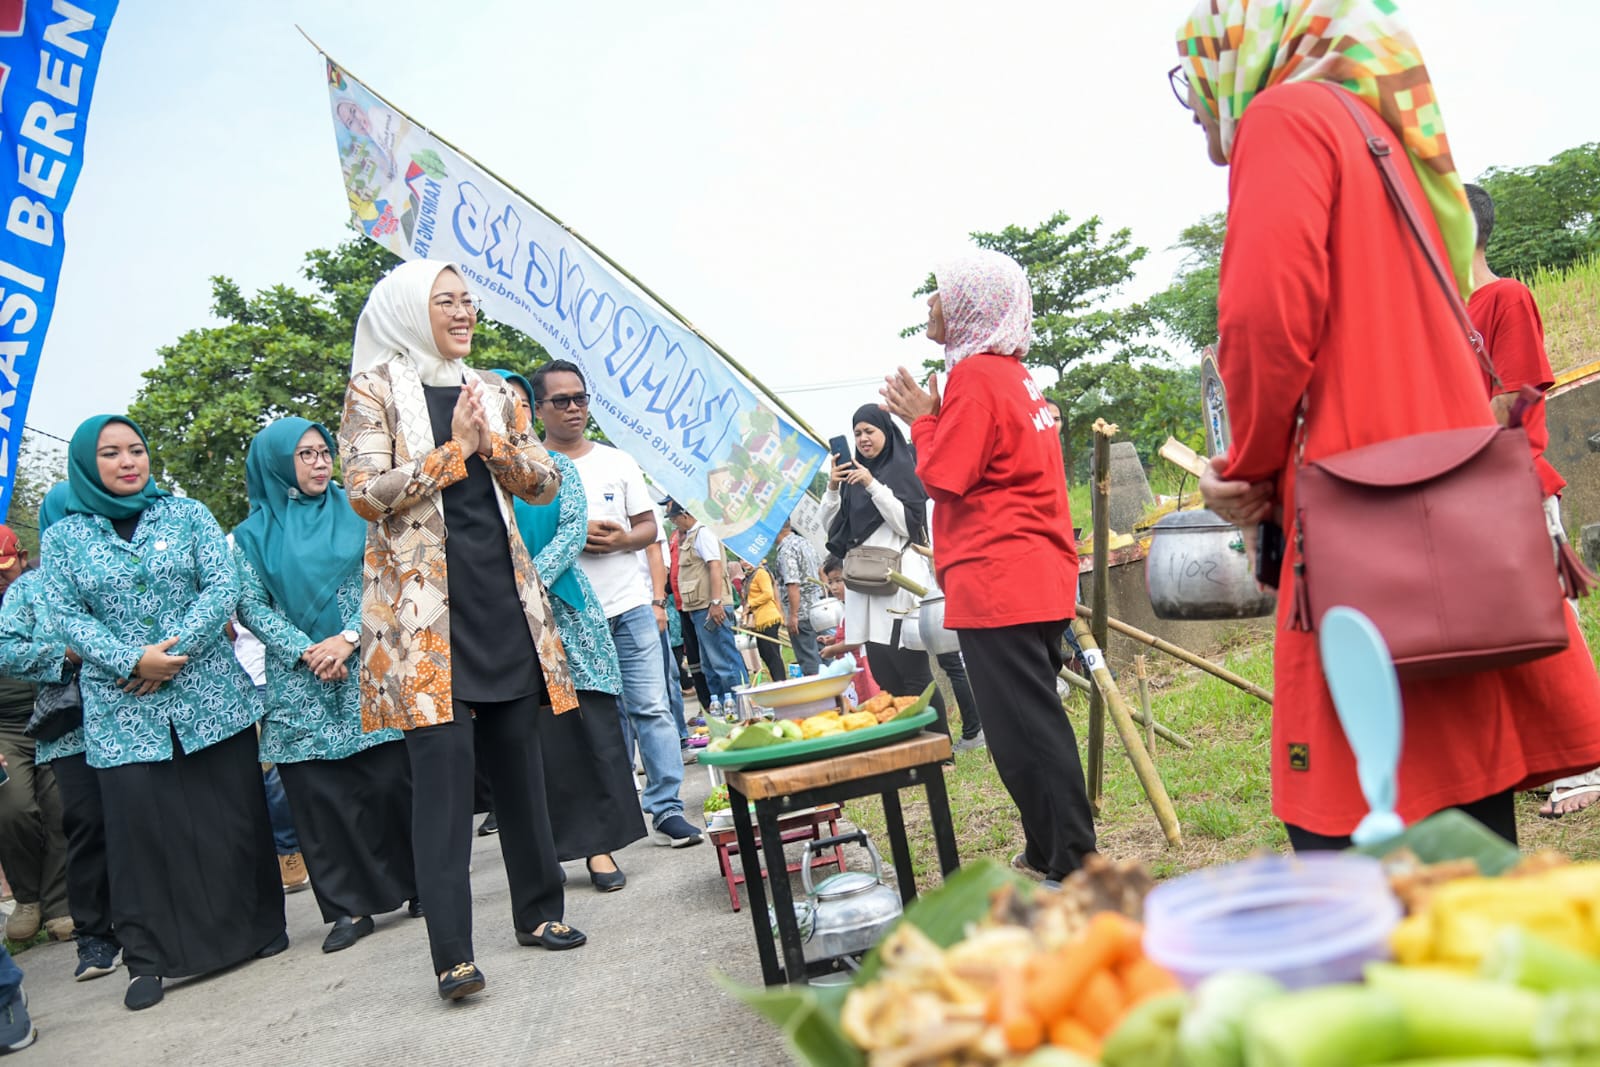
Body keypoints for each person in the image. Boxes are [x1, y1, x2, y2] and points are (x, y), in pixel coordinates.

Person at [1174, 0, 1600, 848]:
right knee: (1462, 817)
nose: (1194, 102)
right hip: (1449, 526)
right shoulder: (1383, 140)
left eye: (1192, 74)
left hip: (1358, 522)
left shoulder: (1285, 115)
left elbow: (1262, 319)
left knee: (1362, 827)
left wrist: (1250, 465)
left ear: (1242, 47)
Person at [340, 260, 586, 1001]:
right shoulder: (374, 389)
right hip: (423, 622)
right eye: (445, 300)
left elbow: (545, 480)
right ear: (409, 310)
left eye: (467, 300)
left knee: (520, 766)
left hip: (500, 600)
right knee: (443, 787)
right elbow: (364, 494)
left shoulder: (495, 391)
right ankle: (452, 952)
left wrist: (495, 442)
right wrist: (453, 451)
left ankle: (540, 912)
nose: (462, 311)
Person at [42, 414, 285, 1011]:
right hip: (124, 708)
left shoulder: (187, 514)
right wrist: (131, 660)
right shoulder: (64, 537)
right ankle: (150, 960)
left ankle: (259, 930)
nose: (128, 462)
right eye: (110, 453)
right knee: (141, 836)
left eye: (136, 450)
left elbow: (220, 585)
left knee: (231, 819)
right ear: (85, 464)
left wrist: (167, 656)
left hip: (208, 695)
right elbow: (67, 616)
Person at [882, 249, 1096, 882]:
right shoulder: (1010, 374)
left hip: (1001, 578)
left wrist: (922, 420)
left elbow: (945, 474)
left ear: (972, 305)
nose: (930, 303)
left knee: (1027, 730)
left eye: (941, 293)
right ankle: (1046, 851)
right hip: (1030, 573)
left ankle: (1077, 864)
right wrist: (934, 412)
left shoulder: (976, 376)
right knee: (1025, 725)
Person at [233, 418, 420, 953]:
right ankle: (346, 908)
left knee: (391, 781)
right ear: (275, 465)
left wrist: (344, 640)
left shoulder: (360, 510)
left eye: (323, 452)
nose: (319, 464)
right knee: (318, 797)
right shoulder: (250, 536)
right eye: (305, 455)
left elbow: (389, 575)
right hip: (298, 680)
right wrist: (306, 650)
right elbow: (249, 603)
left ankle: (419, 885)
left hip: (368, 659)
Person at [1464, 182, 1598, 818]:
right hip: (1460, 492)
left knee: (1549, 622)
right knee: (1494, 630)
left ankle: (1590, 759)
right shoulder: (1431, 309)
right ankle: (1542, 759)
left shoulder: (1503, 297)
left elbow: (1515, 400)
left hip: (1510, 482)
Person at [532, 358, 702, 849]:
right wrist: (570, 537)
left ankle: (667, 807)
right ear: (539, 408)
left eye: (580, 398)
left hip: (628, 604)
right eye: (560, 401)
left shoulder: (617, 461)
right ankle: (613, 812)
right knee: (594, 719)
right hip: (570, 614)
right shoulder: (531, 472)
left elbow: (650, 527)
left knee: (651, 706)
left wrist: (624, 539)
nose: (573, 409)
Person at [493, 369, 646, 891]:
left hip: (568, 615)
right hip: (504, 625)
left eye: (516, 402)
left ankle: (599, 848)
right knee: (535, 743)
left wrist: (527, 584)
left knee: (586, 730)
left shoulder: (557, 466)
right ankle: (546, 856)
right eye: (499, 403)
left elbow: (572, 528)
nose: (510, 412)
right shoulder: (472, 479)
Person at [819, 406, 948, 737]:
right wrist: (834, 488)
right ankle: (909, 739)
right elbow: (833, 529)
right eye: (857, 433)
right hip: (865, 585)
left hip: (899, 582)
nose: (863, 439)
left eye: (869, 432)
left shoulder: (904, 468)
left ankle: (938, 742)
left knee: (913, 670)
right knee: (883, 669)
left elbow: (908, 524)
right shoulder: (852, 477)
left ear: (885, 433)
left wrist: (873, 484)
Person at [0, 527, 70, 946]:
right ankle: (28, 898)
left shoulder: (45, 588)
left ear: (22, 557)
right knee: (14, 807)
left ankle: (60, 904)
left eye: (4, 570)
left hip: (52, 711)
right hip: (4, 728)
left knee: (63, 804)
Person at [228, 618, 310, 895]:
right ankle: (288, 848)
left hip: (298, 664)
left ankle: (298, 844)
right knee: (270, 774)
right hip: (251, 675)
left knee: (297, 767)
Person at [664, 501, 748, 697]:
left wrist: (716, 602)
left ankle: (743, 705)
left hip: (710, 608)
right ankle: (724, 709)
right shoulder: (691, 536)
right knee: (710, 666)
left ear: (684, 514)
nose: (673, 522)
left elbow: (715, 566)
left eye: (674, 517)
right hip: (700, 608)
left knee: (725, 662)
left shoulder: (703, 533)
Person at [818, 556, 881, 703]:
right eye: (830, 582)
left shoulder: (856, 607)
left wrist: (833, 649)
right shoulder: (846, 607)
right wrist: (833, 640)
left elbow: (856, 640)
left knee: (866, 697)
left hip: (861, 664)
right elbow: (848, 634)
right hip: (851, 666)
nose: (833, 587)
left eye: (839, 581)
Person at [775, 513, 823, 676]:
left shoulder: (786, 550)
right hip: (818, 608)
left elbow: (793, 583)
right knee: (824, 654)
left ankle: (820, 696)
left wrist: (793, 615)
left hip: (801, 612)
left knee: (809, 658)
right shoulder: (805, 542)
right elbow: (821, 570)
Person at [740, 560, 787, 684]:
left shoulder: (761, 573)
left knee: (773, 655)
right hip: (759, 620)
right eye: (741, 559)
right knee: (766, 654)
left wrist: (750, 604)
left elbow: (768, 594)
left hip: (768, 618)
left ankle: (781, 683)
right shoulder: (750, 576)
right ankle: (778, 682)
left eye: (746, 559)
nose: (744, 562)